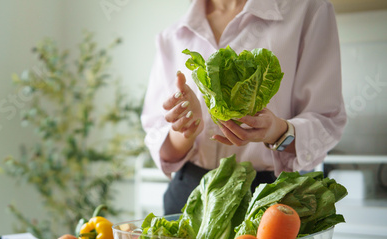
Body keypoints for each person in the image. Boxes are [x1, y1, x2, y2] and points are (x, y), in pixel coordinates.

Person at [141, 0, 347, 215]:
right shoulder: (173, 35)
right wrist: (186, 130)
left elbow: (327, 121)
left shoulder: (309, 10)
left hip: (268, 197)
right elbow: (162, 144)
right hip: (189, 195)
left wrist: (276, 132)